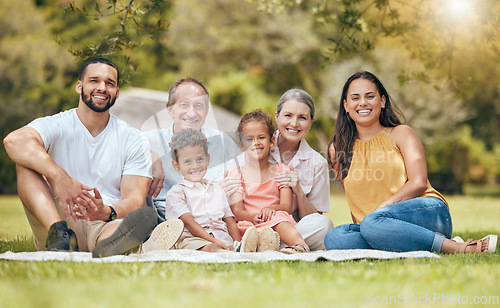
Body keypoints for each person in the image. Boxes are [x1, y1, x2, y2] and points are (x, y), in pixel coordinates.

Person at [324, 71, 497, 254]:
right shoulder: (338, 149)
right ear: (346, 105)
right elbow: (355, 201)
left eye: (370, 96)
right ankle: (399, 240)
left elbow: (419, 183)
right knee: (334, 237)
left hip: (426, 213)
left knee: (371, 224)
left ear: (382, 101)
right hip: (377, 226)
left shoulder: (401, 134)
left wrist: (382, 209)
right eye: (355, 98)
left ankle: (455, 247)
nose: (363, 103)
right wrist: (373, 225)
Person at [3, 58, 158, 258]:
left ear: (117, 92)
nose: (102, 88)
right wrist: (59, 177)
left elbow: (135, 200)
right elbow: (14, 141)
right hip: (58, 214)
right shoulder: (57, 124)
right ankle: (60, 236)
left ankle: (108, 244)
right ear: (80, 86)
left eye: (109, 83)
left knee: (119, 226)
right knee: (25, 161)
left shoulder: (134, 138)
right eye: (94, 81)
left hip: (104, 219)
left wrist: (106, 211)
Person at [224, 89, 334, 251]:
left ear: (311, 122)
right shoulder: (256, 143)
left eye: (302, 118)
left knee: (324, 225)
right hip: (248, 224)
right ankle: (262, 244)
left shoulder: (317, 163)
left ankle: (270, 245)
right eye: (288, 115)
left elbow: (312, 217)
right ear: (277, 117)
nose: (294, 123)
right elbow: (233, 206)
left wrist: (299, 192)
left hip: (288, 226)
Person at [145, 78, 240, 223]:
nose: (191, 113)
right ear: (170, 109)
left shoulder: (221, 141)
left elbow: (244, 179)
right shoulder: (149, 141)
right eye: (184, 105)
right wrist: (150, 155)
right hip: (163, 224)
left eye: (199, 106)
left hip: (213, 222)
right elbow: (118, 149)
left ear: (206, 111)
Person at [164, 128, 261, 252]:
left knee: (229, 246)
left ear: (208, 159)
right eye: (187, 162)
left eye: (199, 159)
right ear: (176, 165)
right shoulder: (176, 193)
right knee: (212, 248)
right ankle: (225, 253)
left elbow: (229, 220)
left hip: (221, 236)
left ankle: (241, 250)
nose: (195, 166)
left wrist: (237, 243)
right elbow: (189, 223)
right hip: (192, 239)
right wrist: (216, 242)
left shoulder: (216, 188)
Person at [228, 110, 309, 253]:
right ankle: (250, 247)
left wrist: (272, 209)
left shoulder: (281, 170)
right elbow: (237, 211)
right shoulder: (237, 172)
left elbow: (286, 206)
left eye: (261, 137)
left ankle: (300, 246)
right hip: (248, 222)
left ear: (271, 141)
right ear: (241, 144)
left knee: (281, 219)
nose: (256, 143)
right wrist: (251, 216)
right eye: (249, 139)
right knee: (237, 226)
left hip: (274, 220)